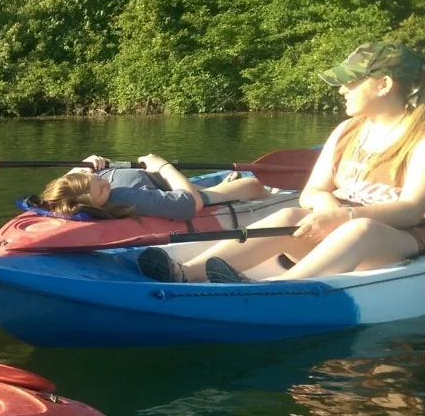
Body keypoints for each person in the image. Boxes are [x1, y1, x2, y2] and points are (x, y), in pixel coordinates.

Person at [138, 41, 425, 283]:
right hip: (337, 225)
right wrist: (326, 205)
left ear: (384, 84)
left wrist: (345, 217)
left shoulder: (419, 137)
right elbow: (312, 192)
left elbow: (412, 211)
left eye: (351, 81)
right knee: (289, 216)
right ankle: (185, 273)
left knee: (361, 229)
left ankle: (282, 288)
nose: (341, 89)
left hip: (397, 239)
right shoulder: (346, 131)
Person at [33, 154, 270, 220]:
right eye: (102, 189)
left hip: (160, 182)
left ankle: (225, 182)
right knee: (254, 183)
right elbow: (192, 202)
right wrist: (162, 165)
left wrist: (85, 164)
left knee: (237, 176)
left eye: (99, 177)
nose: (105, 182)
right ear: (94, 204)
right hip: (188, 193)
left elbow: (62, 192)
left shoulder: (79, 191)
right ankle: (279, 199)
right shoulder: (131, 199)